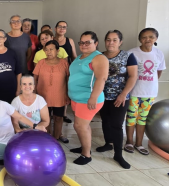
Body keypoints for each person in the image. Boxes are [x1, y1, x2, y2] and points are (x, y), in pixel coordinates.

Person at [0, 86, 46, 169]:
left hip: (6, 143)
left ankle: (4, 156)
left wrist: (36, 126)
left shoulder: (3, 105)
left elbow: (20, 117)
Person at [96, 30, 137, 169]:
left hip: (120, 97)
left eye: (114, 40)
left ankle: (118, 154)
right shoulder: (99, 56)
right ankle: (108, 143)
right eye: (108, 39)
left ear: (120, 42)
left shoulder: (128, 56)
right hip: (102, 96)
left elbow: (132, 76)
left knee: (116, 124)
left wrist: (123, 94)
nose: (111, 42)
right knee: (105, 121)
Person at [68, 31, 109, 165]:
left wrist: (93, 97)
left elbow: (101, 78)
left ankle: (86, 154)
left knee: (80, 126)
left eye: (88, 42)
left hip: (88, 99)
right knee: (82, 126)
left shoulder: (98, 58)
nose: (84, 45)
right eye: (82, 42)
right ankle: (84, 146)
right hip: (77, 98)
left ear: (96, 43)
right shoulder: (80, 57)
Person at [125, 28, 166, 155]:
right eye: (144, 37)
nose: (147, 39)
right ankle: (129, 142)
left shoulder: (159, 53)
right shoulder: (132, 53)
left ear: (156, 39)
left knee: (143, 119)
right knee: (131, 118)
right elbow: (127, 73)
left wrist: (149, 82)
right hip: (134, 92)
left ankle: (139, 144)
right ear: (140, 39)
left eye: (151, 37)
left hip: (150, 93)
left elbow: (158, 72)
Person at [33, 40, 70, 143]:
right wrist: (34, 94)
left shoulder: (64, 63)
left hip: (60, 95)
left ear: (58, 51)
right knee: (46, 118)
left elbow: (68, 79)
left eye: (51, 49)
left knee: (58, 117)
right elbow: (34, 79)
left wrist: (68, 94)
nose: (48, 52)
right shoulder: (41, 63)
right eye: (46, 50)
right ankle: (47, 138)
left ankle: (57, 138)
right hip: (43, 96)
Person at [54, 21, 76, 124]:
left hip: (67, 70)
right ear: (55, 28)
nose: (62, 29)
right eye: (60, 27)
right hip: (54, 71)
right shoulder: (51, 40)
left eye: (64, 27)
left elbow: (74, 55)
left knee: (65, 91)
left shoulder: (69, 41)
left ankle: (64, 114)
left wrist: (75, 70)